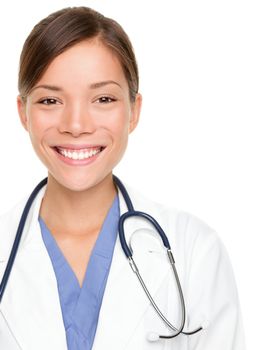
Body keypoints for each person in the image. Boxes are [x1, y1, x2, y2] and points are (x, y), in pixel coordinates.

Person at [0, 6, 245, 350]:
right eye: (50, 100)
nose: (76, 124)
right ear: (23, 113)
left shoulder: (195, 251)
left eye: (103, 98)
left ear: (134, 111)